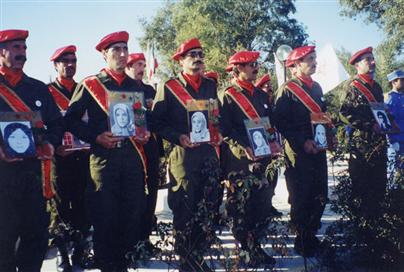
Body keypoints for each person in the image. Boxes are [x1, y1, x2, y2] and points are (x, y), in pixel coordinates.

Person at [64, 31, 149, 272]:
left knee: (131, 215)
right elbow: (70, 121)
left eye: (125, 49)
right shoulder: (91, 84)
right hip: (104, 161)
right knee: (105, 217)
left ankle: (122, 264)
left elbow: (141, 119)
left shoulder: (135, 86)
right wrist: (96, 136)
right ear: (105, 54)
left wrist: (144, 133)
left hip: (132, 160)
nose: (123, 55)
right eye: (116, 50)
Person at [152, 38, 222, 272]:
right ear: (181, 60)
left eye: (200, 53)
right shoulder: (169, 86)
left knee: (208, 204)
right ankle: (185, 261)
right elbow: (156, 122)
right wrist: (178, 137)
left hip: (208, 153)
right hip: (183, 155)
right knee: (185, 206)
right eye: (191, 54)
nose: (197, 57)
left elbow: (214, 116)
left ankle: (199, 256)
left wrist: (217, 132)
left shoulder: (210, 85)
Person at [0, 29, 63, 272]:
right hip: (3, 180)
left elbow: (57, 124)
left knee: (35, 239)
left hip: (33, 178)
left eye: (24, 48)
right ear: (2, 51)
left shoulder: (38, 89)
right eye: (16, 48)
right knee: (3, 243)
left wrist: (50, 143)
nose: (22, 53)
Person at [221, 50, 279, 266]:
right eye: (250, 64)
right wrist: (243, 146)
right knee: (241, 208)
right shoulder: (228, 95)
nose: (256, 67)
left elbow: (269, 125)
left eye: (256, 63)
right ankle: (244, 251)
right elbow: (225, 130)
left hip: (263, 159)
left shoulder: (262, 96)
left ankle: (256, 247)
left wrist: (273, 142)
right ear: (238, 69)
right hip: (241, 162)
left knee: (261, 205)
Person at [273, 45, 329, 257]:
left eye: (314, 58)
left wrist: (327, 133)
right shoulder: (287, 89)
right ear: (295, 66)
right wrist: (301, 141)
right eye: (309, 59)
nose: (314, 62)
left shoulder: (317, 88)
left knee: (320, 191)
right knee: (301, 193)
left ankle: (311, 234)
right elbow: (280, 122)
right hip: (298, 151)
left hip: (318, 148)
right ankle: (302, 238)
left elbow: (320, 117)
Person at [48, 45, 92, 271]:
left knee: (83, 206)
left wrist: (90, 141)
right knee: (61, 207)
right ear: (55, 65)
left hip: (83, 158)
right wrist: (55, 147)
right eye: (64, 61)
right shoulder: (47, 92)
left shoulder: (84, 89)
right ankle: (63, 255)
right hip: (61, 159)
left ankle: (80, 252)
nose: (70, 64)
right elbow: (44, 125)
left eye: (73, 60)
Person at [339, 46, 387, 223]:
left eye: (373, 59)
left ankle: (375, 227)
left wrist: (386, 121)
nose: (373, 62)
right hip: (362, 145)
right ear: (357, 65)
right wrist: (369, 126)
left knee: (379, 185)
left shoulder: (377, 87)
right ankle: (361, 230)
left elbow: (379, 111)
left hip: (379, 143)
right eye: (368, 59)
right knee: (362, 187)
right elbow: (344, 113)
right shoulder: (352, 86)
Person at [125, 52, 162, 253]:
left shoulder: (149, 90)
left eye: (143, 64)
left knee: (151, 193)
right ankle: (132, 241)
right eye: (136, 65)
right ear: (128, 67)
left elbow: (158, 119)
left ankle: (145, 238)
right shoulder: (121, 90)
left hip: (150, 147)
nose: (141, 68)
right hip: (130, 150)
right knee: (134, 196)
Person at [386, 69, 404, 156]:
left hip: (403, 140)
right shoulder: (390, 99)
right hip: (396, 142)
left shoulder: (402, 97)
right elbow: (387, 122)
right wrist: (392, 141)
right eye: (402, 80)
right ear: (394, 82)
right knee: (394, 169)